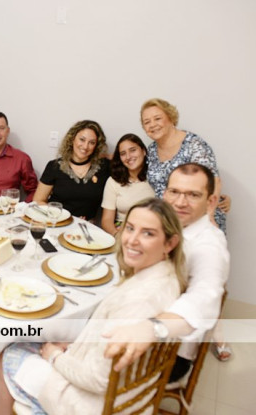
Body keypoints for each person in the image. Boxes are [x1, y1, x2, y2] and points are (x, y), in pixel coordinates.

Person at [0, 198, 186, 415]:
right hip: (133, 393)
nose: (132, 240)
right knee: (45, 340)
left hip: (91, 403)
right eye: (130, 228)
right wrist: (74, 344)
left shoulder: (138, 301)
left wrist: (55, 356)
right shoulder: (170, 279)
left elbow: (97, 379)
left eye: (148, 233)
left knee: (7, 354)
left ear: (170, 243)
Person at [104, 163, 230, 377]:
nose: (180, 202)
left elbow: (204, 298)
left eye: (193, 195)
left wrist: (152, 328)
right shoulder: (169, 228)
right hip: (131, 320)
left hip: (165, 354)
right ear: (165, 193)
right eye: (174, 192)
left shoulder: (209, 245)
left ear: (210, 201)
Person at [140, 98, 230, 232]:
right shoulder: (152, 150)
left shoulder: (194, 144)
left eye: (157, 118)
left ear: (171, 118)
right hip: (169, 221)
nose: (152, 125)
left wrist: (209, 216)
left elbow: (214, 181)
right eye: (147, 122)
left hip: (198, 220)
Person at [33, 120, 110, 221]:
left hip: (86, 227)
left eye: (92, 143)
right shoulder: (54, 166)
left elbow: (123, 158)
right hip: (57, 222)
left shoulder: (104, 167)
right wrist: (65, 218)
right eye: (82, 139)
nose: (85, 146)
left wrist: (109, 156)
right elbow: (38, 201)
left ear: (96, 146)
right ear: (72, 139)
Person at [101, 134, 155, 235]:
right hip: (121, 231)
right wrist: (117, 236)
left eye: (133, 150)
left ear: (143, 151)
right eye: (123, 153)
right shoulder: (113, 181)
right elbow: (106, 220)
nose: (128, 157)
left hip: (150, 231)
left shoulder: (156, 178)